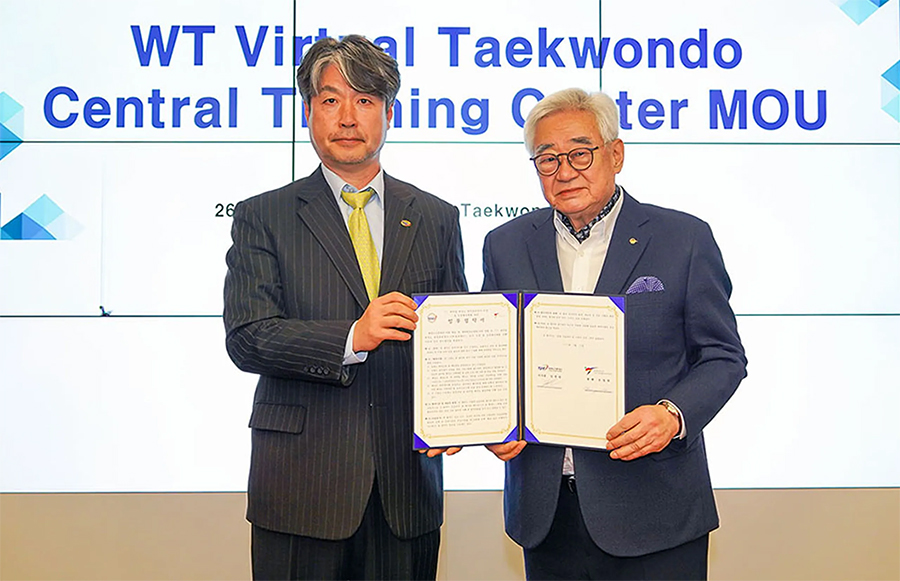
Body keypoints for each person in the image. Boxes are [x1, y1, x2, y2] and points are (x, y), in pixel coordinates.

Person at [223, 35, 466, 580]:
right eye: (331, 100)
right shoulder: (263, 216)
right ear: (308, 113)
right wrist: (353, 336)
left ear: (389, 113)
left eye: (365, 99)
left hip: (405, 489)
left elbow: (453, 341)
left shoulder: (437, 217)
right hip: (301, 487)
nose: (348, 117)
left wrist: (461, 412)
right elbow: (248, 337)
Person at [483, 88, 747, 580]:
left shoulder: (683, 238)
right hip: (547, 514)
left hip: (656, 510)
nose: (564, 171)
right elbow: (494, 358)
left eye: (580, 153)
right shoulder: (505, 244)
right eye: (547, 159)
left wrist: (672, 415)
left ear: (616, 154)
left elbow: (723, 356)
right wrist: (491, 423)